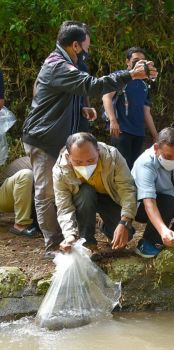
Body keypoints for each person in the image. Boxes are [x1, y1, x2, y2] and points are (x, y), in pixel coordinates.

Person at [22, 21, 156, 257]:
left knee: (80, 191)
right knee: (46, 194)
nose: (87, 51)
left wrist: (82, 110)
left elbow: (74, 92)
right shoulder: (57, 65)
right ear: (75, 45)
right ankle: (53, 245)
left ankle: (77, 236)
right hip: (44, 138)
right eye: (86, 46)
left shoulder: (69, 63)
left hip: (63, 137)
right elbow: (90, 85)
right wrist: (131, 74)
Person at [54, 133, 137, 253]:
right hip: (83, 200)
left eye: (91, 160)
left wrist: (124, 221)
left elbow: (127, 189)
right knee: (86, 192)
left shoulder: (112, 156)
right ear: (68, 157)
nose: (85, 165)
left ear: (98, 151)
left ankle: (104, 226)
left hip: (109, 198)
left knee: (126, 234)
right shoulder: (60, 171)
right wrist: (69, 235)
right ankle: (88, 243)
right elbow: (64, 207)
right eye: (78, 162)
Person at [132, 127, 174, 258]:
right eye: (168, 156)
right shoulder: (145, 163)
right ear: (157, 149)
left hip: (173, 196)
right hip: (143, 207)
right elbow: (149, 201)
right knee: (168, 202)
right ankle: (148, 242)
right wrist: (163, 230)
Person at [102, 47, 158, 169]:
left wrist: (155, 135)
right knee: (121, 168)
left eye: (143, 60)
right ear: (128, 61)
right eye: (136, 59)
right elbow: (106, 97)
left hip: (138, 132)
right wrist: (113, 121)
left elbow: (146, 111)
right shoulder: (120, 77)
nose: (140, 62)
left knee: (135, 168)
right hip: (121, 130)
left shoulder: (144, 84)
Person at [0, 158, 37, 237]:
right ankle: (20, 225)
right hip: (6, 196)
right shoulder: (45, 162)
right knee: (25, 174)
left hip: (23, 197)